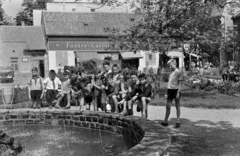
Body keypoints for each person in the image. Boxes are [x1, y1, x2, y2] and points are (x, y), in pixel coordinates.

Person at [161, 59, 183, 128]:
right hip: (170, 90)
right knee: (168, 106)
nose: (170, 67)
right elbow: (169, 84)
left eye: (171, 65)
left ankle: (178, 121)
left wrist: (178, 92)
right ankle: (165, 121)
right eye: (169, 66)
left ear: (174, 64)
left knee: (177, 106)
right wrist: (166, 92)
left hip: (176, 90)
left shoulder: (178, 72)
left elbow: (179, 84)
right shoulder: (171, 73)